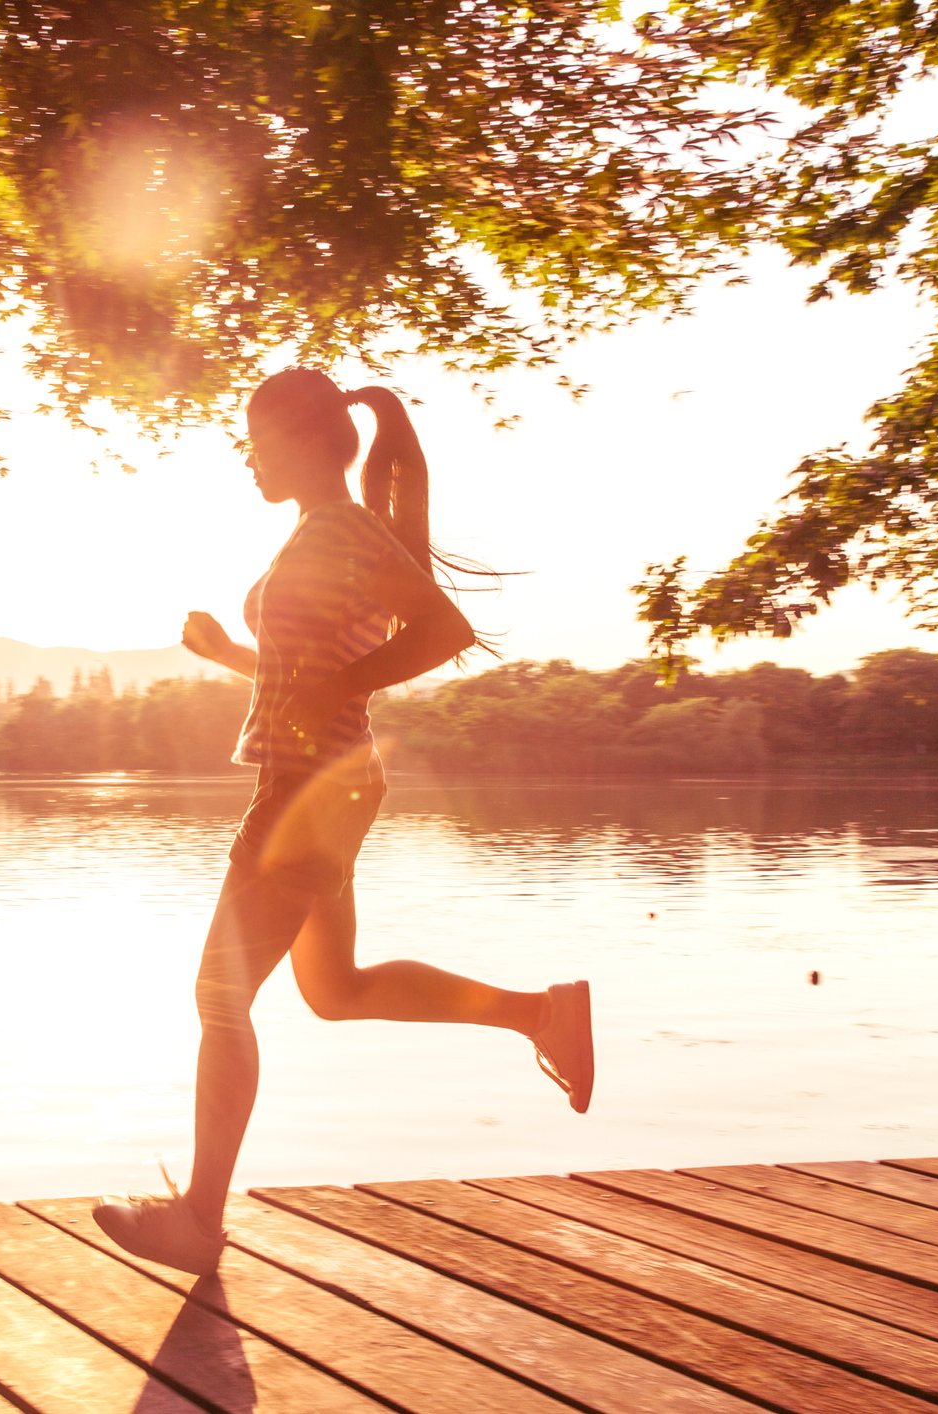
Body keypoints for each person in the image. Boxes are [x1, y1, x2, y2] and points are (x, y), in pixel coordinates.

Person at [92, 368, 594, 1276]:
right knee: (336, 992)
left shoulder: (345, 531)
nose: (248, 458)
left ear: (310, 442)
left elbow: (442, 629)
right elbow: (307, 677)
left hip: (309, 790)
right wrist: (229, 657)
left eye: (259, 440)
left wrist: (330, 685)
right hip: (319, 781)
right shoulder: (319, 535)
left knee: (219, 997)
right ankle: (541, 1016)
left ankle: (198, 1221)